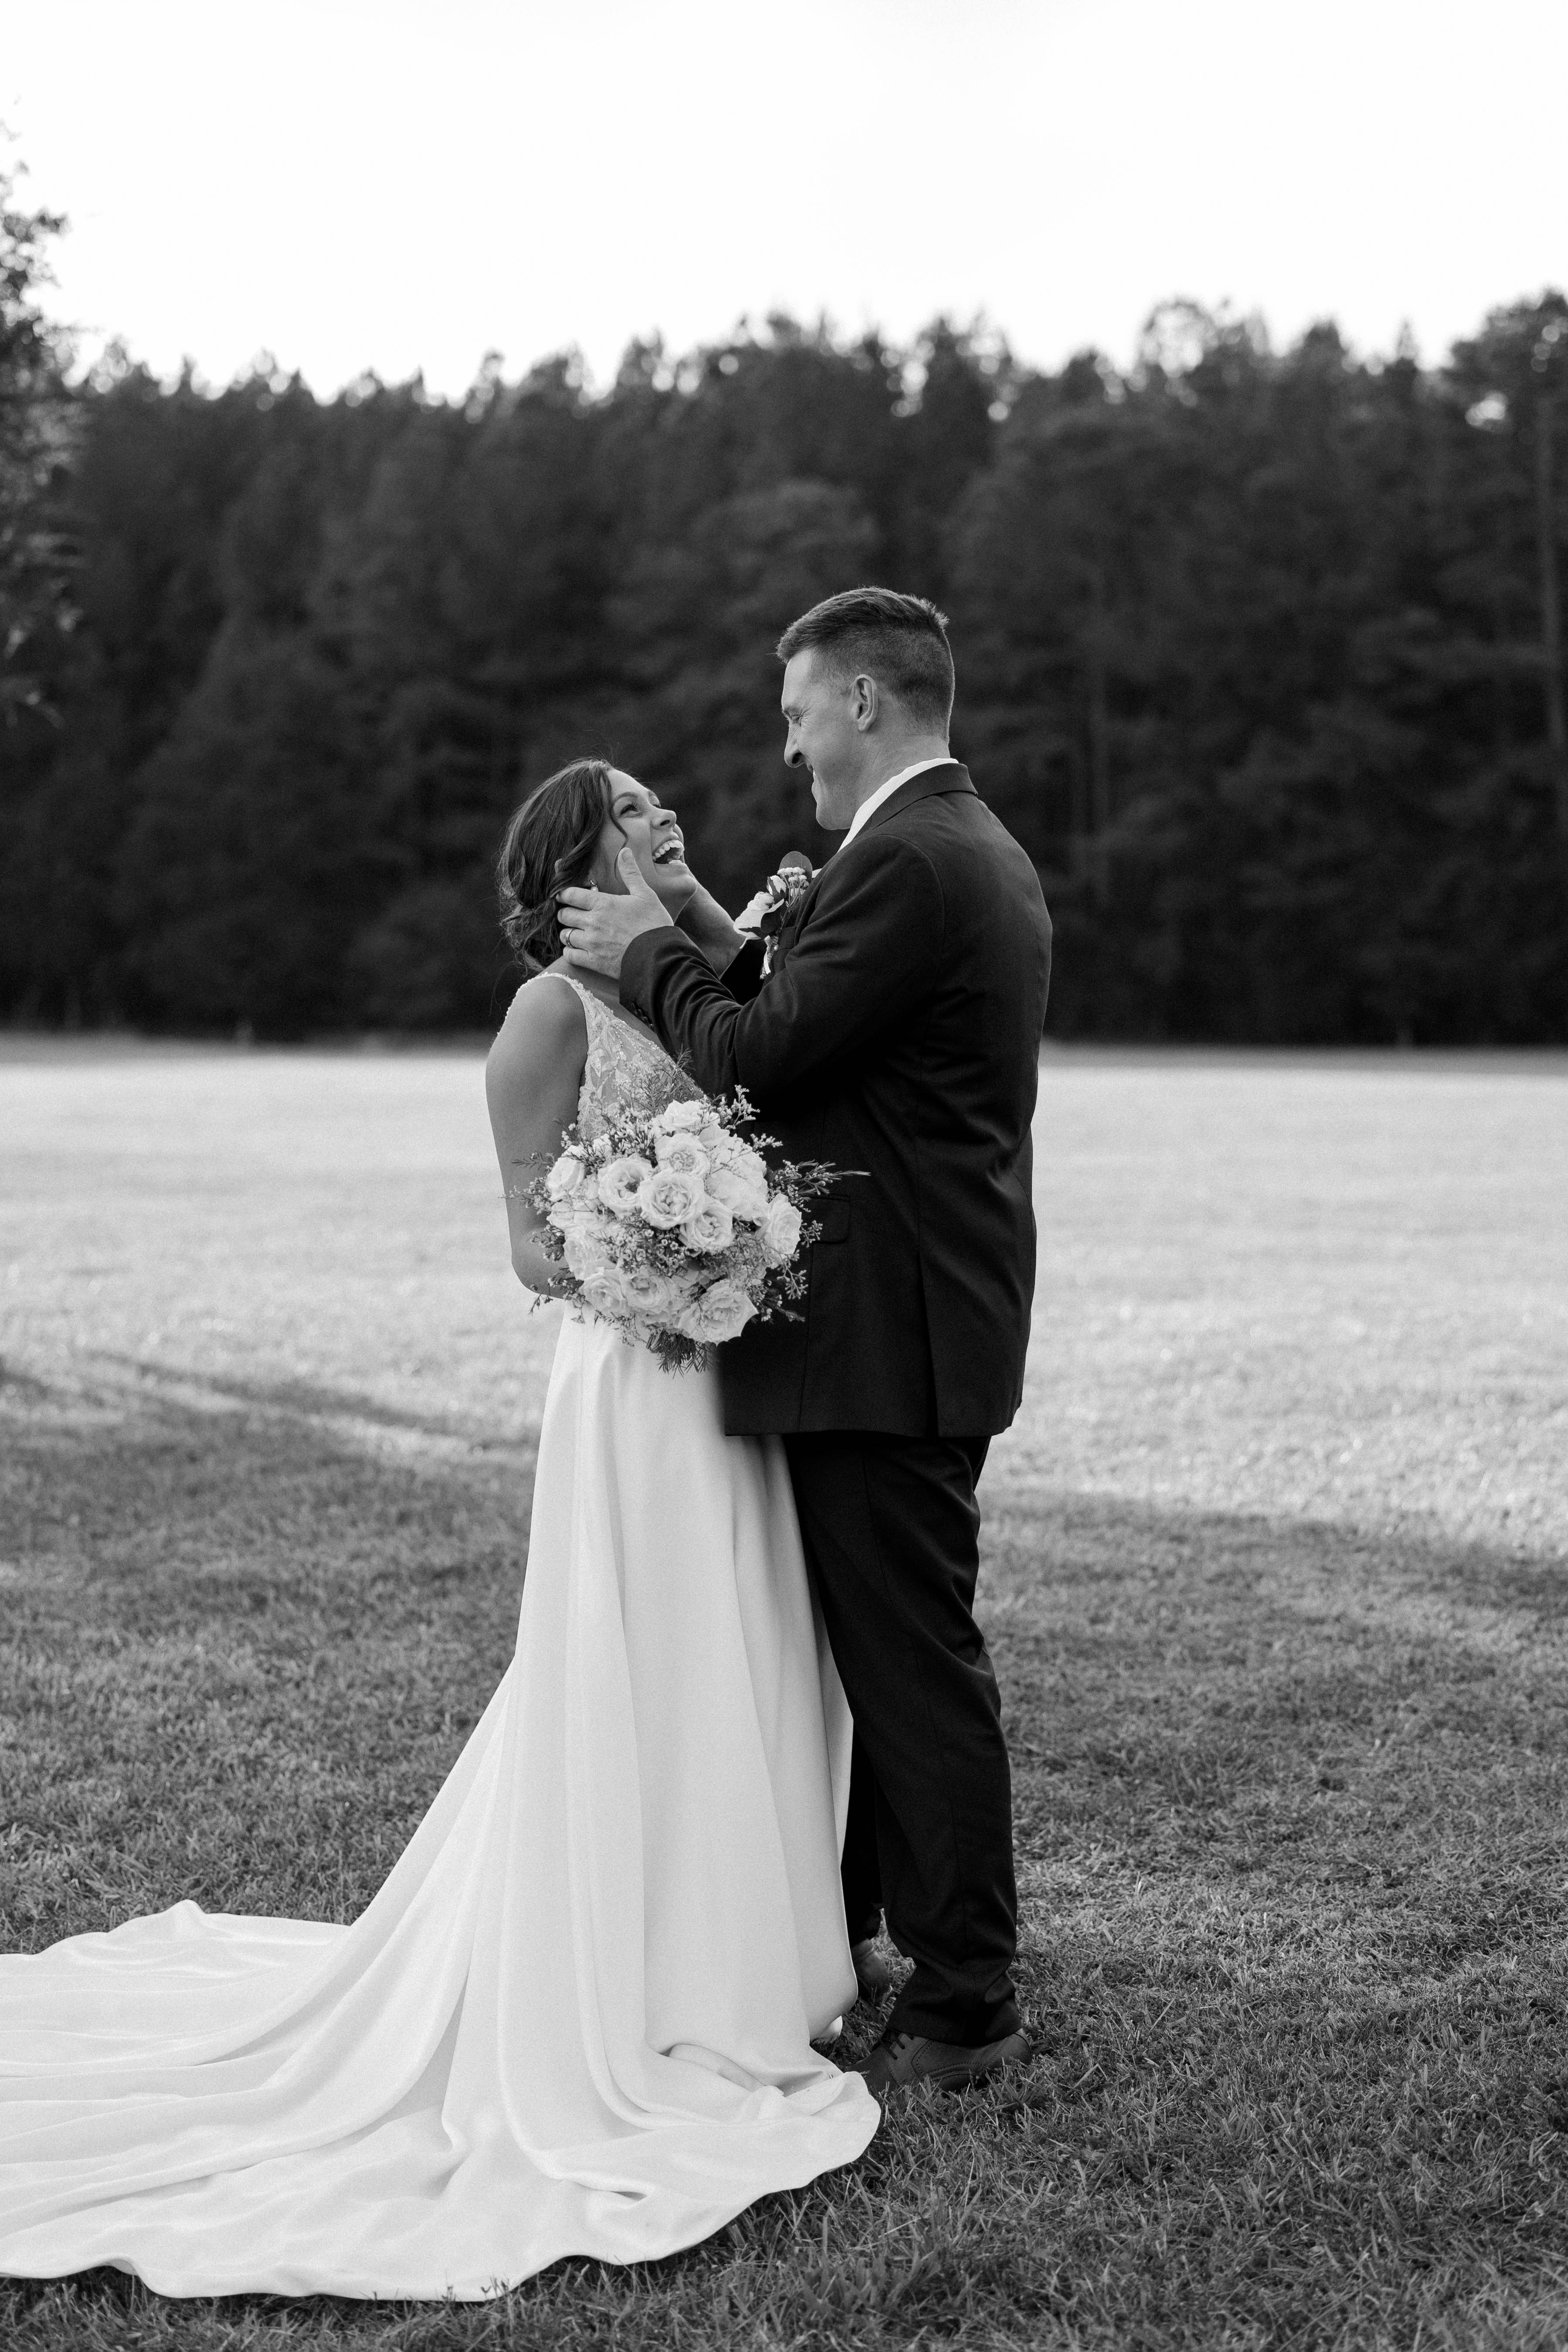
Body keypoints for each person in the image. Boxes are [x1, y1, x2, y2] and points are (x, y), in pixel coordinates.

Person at [0, 759, 877, 2303]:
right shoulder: (548, 1014)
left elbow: (766, 1046)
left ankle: (745, 1951)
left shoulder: (677, 976)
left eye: (662, 800)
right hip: (631, 1379)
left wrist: (732, 1234)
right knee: (637, 1653)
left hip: (722, 1377)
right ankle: (633, 1975)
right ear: (575, 857)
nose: (663, 815)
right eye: (632, 811)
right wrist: (661, 1265)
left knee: (735, 1640)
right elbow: (531, 1243)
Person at [559, 587, 1052, 2094]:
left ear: (862, 702)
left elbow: (761, 1054)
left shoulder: (909, 858)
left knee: (910, 1669)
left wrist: (649, 949)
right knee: (882, 1660)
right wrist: (706, 924)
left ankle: (965, 2000)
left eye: (796, 716)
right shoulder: (955, 844)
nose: (789, 752)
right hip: (916, 1320)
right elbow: (815, 1008)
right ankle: (853, 1937)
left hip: (888, 1332)